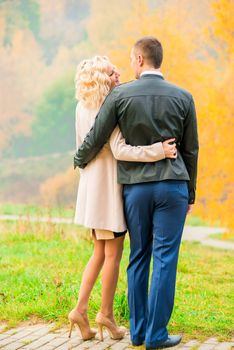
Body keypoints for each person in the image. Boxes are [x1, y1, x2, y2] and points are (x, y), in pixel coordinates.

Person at [74, 37, 199, 350]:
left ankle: (140, 332)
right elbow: (191, 150)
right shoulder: (184, 97)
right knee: (165, 258)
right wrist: (191, 192)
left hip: (135, 190)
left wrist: (79, 158)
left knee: (138, 255)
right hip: (173, 185)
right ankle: (157, 335)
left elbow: (96, 136)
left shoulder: (121, 95)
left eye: (131, 60)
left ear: (139, 60)